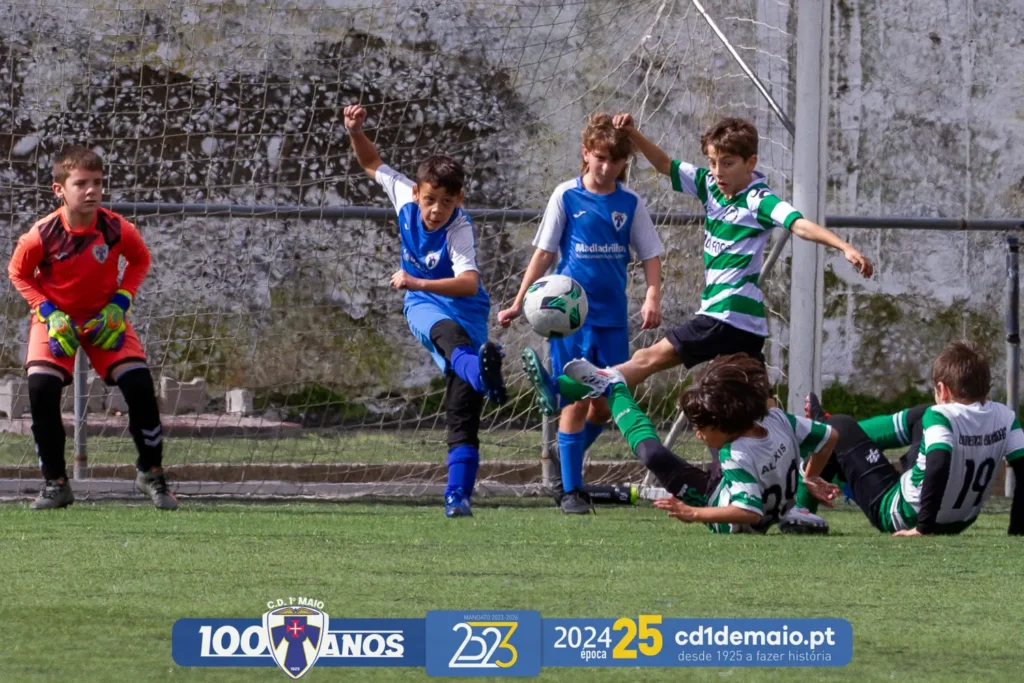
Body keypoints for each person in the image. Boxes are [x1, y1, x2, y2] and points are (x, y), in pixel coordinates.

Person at [344, 104, 508, 518]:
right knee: (447, 338)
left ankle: (458, 496)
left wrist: (414, 278)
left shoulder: (459, 227)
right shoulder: (403, 194)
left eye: (446, 203)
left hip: (466, 306)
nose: (436, 210)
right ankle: (487, 379)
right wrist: (355, 131)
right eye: (430, 200)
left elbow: (468, 283)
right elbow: (371, 162)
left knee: (461, 406)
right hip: (423, 305)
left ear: (459, 200)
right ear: (416, 192)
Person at [498, 112, 664, 514]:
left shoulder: (630, 203)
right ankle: (571, 491)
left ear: (625, 162)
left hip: (612, 319)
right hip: (568, 318)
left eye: (616, 161)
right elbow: (545, 253)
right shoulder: (566, 196)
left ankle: (563, 454)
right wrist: (520, 301)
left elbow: (651, 253)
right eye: (600, 158)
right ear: (586, 153)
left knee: (605, 404)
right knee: (575, 402)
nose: (607, 168)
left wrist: (652, 295)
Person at [8, 145, 176, 510]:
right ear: (59, 190)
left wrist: (120, 302)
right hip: (57, 321)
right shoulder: (40, 235)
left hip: (105, 320)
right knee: (40, 387)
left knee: (140, 385)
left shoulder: (116, 228)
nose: (91, 191)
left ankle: (151, 473)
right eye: (81, 183)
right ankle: (56, 483)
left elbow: (140, 260)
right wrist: (48, 311)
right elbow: (18, 273)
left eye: (97, 183)